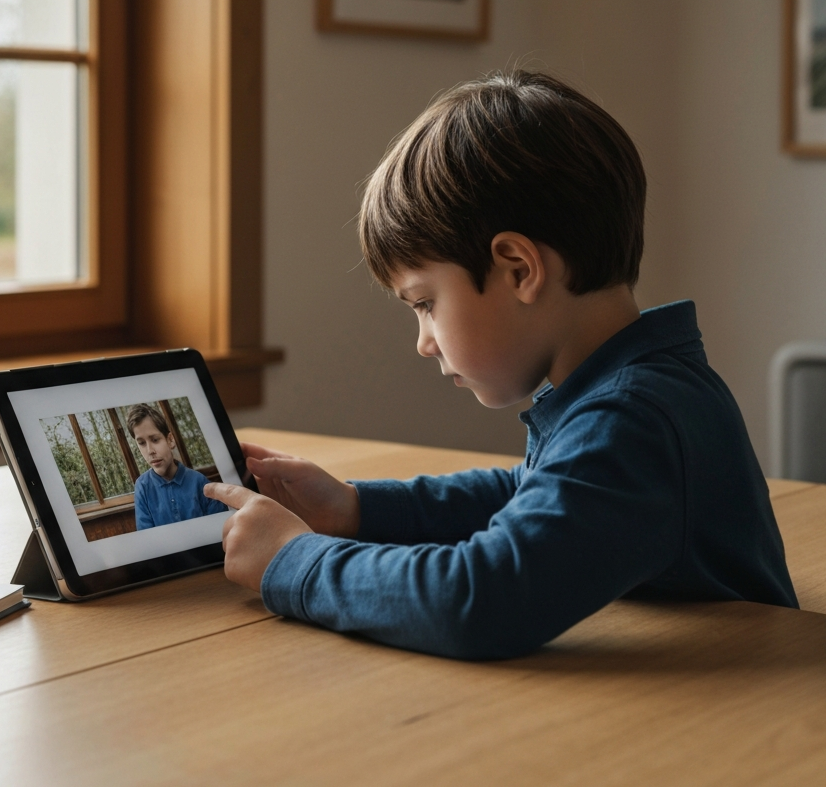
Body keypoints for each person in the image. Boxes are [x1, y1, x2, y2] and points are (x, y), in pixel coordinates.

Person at [204, 70, 798, 660]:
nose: (425, 341)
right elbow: (532, 493)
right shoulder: (632, 390)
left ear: (518, 268)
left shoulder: (633, 419)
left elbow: (481, 599)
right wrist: (356, 508)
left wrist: (294, 563)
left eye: (426, 303)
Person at [128, 403, 227, 531]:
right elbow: (148, 539)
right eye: (141, 443)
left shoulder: (199, 482)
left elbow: (221, 530)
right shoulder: (142, 487)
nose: (150, 450)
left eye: (155, 440)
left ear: (170, 440)